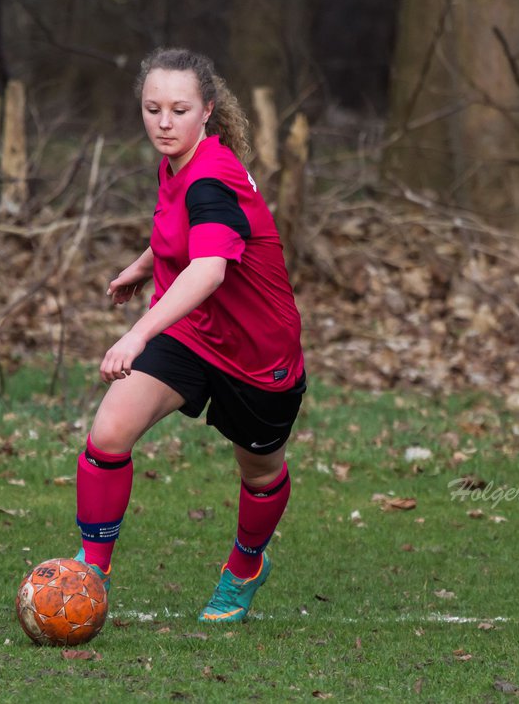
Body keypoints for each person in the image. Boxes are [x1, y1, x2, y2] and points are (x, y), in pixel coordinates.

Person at [74, 47, 306, 623]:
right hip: (191, 331)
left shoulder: (210, 178)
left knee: (259, 472)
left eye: (179, 110)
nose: (163, 122)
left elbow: (210, 268)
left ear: (207, 110)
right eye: (152, 109)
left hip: (259, 354)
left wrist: (134, 336)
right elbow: (186, 236)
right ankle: (90, 575)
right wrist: (145, 263)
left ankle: (246, 565)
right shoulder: (178, 161)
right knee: (109, 433)